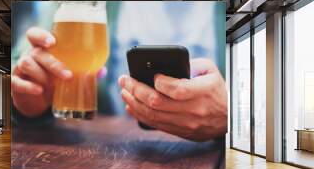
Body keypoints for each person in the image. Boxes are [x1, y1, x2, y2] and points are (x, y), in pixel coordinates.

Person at [12, 28, 228, 141]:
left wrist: (227, 115)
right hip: (98, 145)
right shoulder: (72, 8)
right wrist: (28, 103)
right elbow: (22, 56)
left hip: (207, 153)